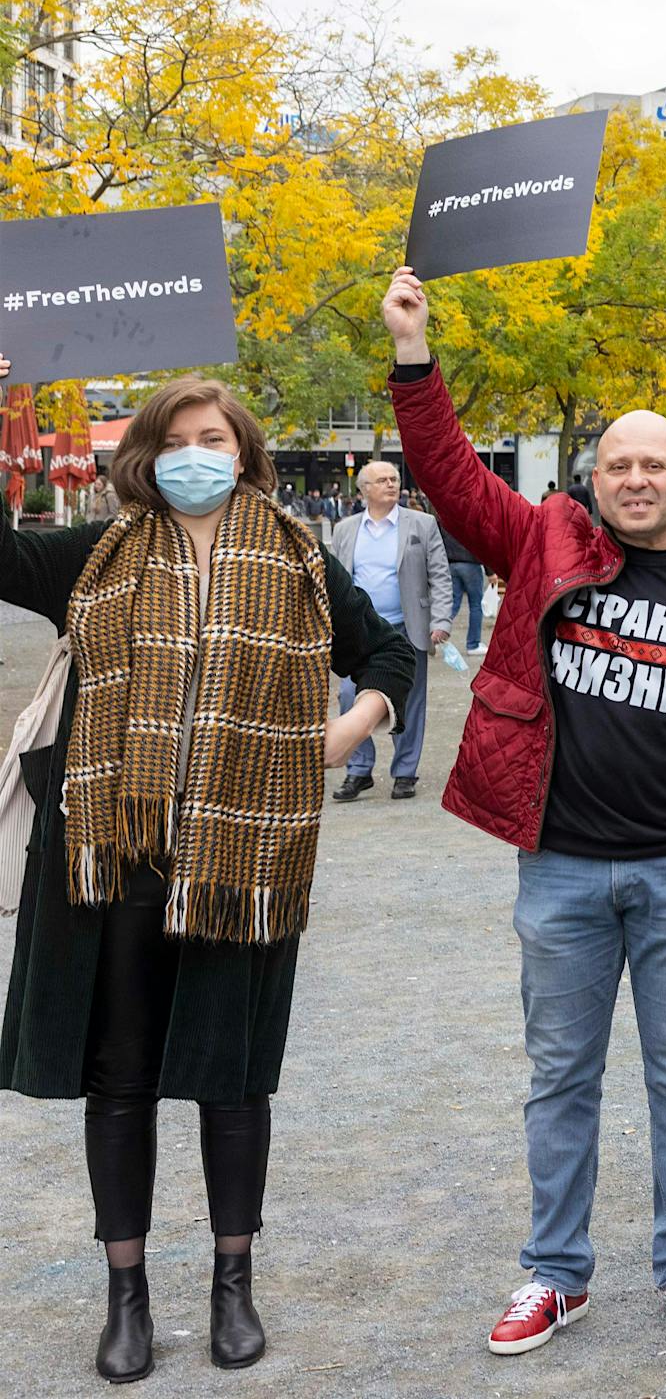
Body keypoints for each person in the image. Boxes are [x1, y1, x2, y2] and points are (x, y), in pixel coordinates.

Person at [378, 268, 666, 1356]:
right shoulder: (544, 546)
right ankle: (555, 1271)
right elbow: (444, 472)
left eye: (651, 463)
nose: (633, 478)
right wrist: (411, 353)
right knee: (559, 1077)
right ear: (593, 478)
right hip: (563, 870)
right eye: (615, 464)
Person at [0, 362, 414, 1383]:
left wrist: (353, 723)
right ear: (148, 452)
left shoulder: (297, 557)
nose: (197, 455)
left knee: (232, 1079)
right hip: (117, 855)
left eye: (216, 439)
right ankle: (126, 1292)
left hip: (244, 857)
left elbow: (390, 654)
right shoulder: (92, 553)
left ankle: (234, 1282)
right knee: (122, 1078)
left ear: (244, 453)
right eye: (178, 438)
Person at [329, 460, 452, 803]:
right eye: (381, 480)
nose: (391, 484)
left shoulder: (422, 524)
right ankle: (359, 769)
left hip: (407, 627)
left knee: (409, 702)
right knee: (348, 697)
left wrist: (440, 620)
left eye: (394, 479)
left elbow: (439, 575)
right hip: (360, 630)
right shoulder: (345, 529)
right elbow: (334, 582)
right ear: (364, 489)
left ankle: (404, 772)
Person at [442, 518, 488, 654]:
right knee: (475, 604)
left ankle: (435, 632)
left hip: (452, 563)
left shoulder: (445, 518)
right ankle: (473, 644)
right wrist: (490, 572)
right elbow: (482, 544)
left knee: (453, 603)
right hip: (471, 563)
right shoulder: (471, 519)